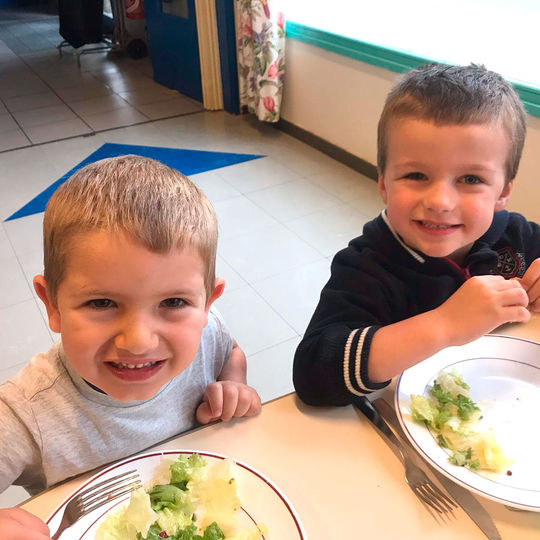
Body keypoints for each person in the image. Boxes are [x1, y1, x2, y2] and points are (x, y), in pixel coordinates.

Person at [0, 155, 261, 538]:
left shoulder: (207, 336)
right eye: (102, 303)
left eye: (173, 303)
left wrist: (234, 383)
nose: (138, 341)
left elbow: (230, 349)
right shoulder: (25, 415)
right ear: (52, 305)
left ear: (208, 303)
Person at [293, 63, 540, 406]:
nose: (439, 201)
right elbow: (313, 377)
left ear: (502, 192)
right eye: (416, 175)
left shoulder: (516, 235)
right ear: (383, 183)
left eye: (470, 179)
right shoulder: (366, 267)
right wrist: (444, 325)